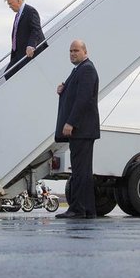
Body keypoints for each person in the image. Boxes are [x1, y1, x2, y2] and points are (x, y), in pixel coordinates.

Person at [54, 40, 100, 219]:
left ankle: (78, 209)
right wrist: (63, 90)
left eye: (76, 50)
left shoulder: (86, 69)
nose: (72, 53)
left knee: (80, 171)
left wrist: (71, 122)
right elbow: (76, 92)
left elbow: (83, 98)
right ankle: (87, 209)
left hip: (81, 129)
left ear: (85, 51)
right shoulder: (79, 70)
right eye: (70, 51)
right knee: (83, 171)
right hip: (83, 130)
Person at [4, 0, 46, 79]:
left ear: (18, 1)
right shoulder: (18, 15)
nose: (10, 7)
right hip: (19, 53)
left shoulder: (30, 11)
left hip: (28, 52)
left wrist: (31, 45)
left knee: (22, 76)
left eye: (10, 3)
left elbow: (36, 29)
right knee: (8, 73)